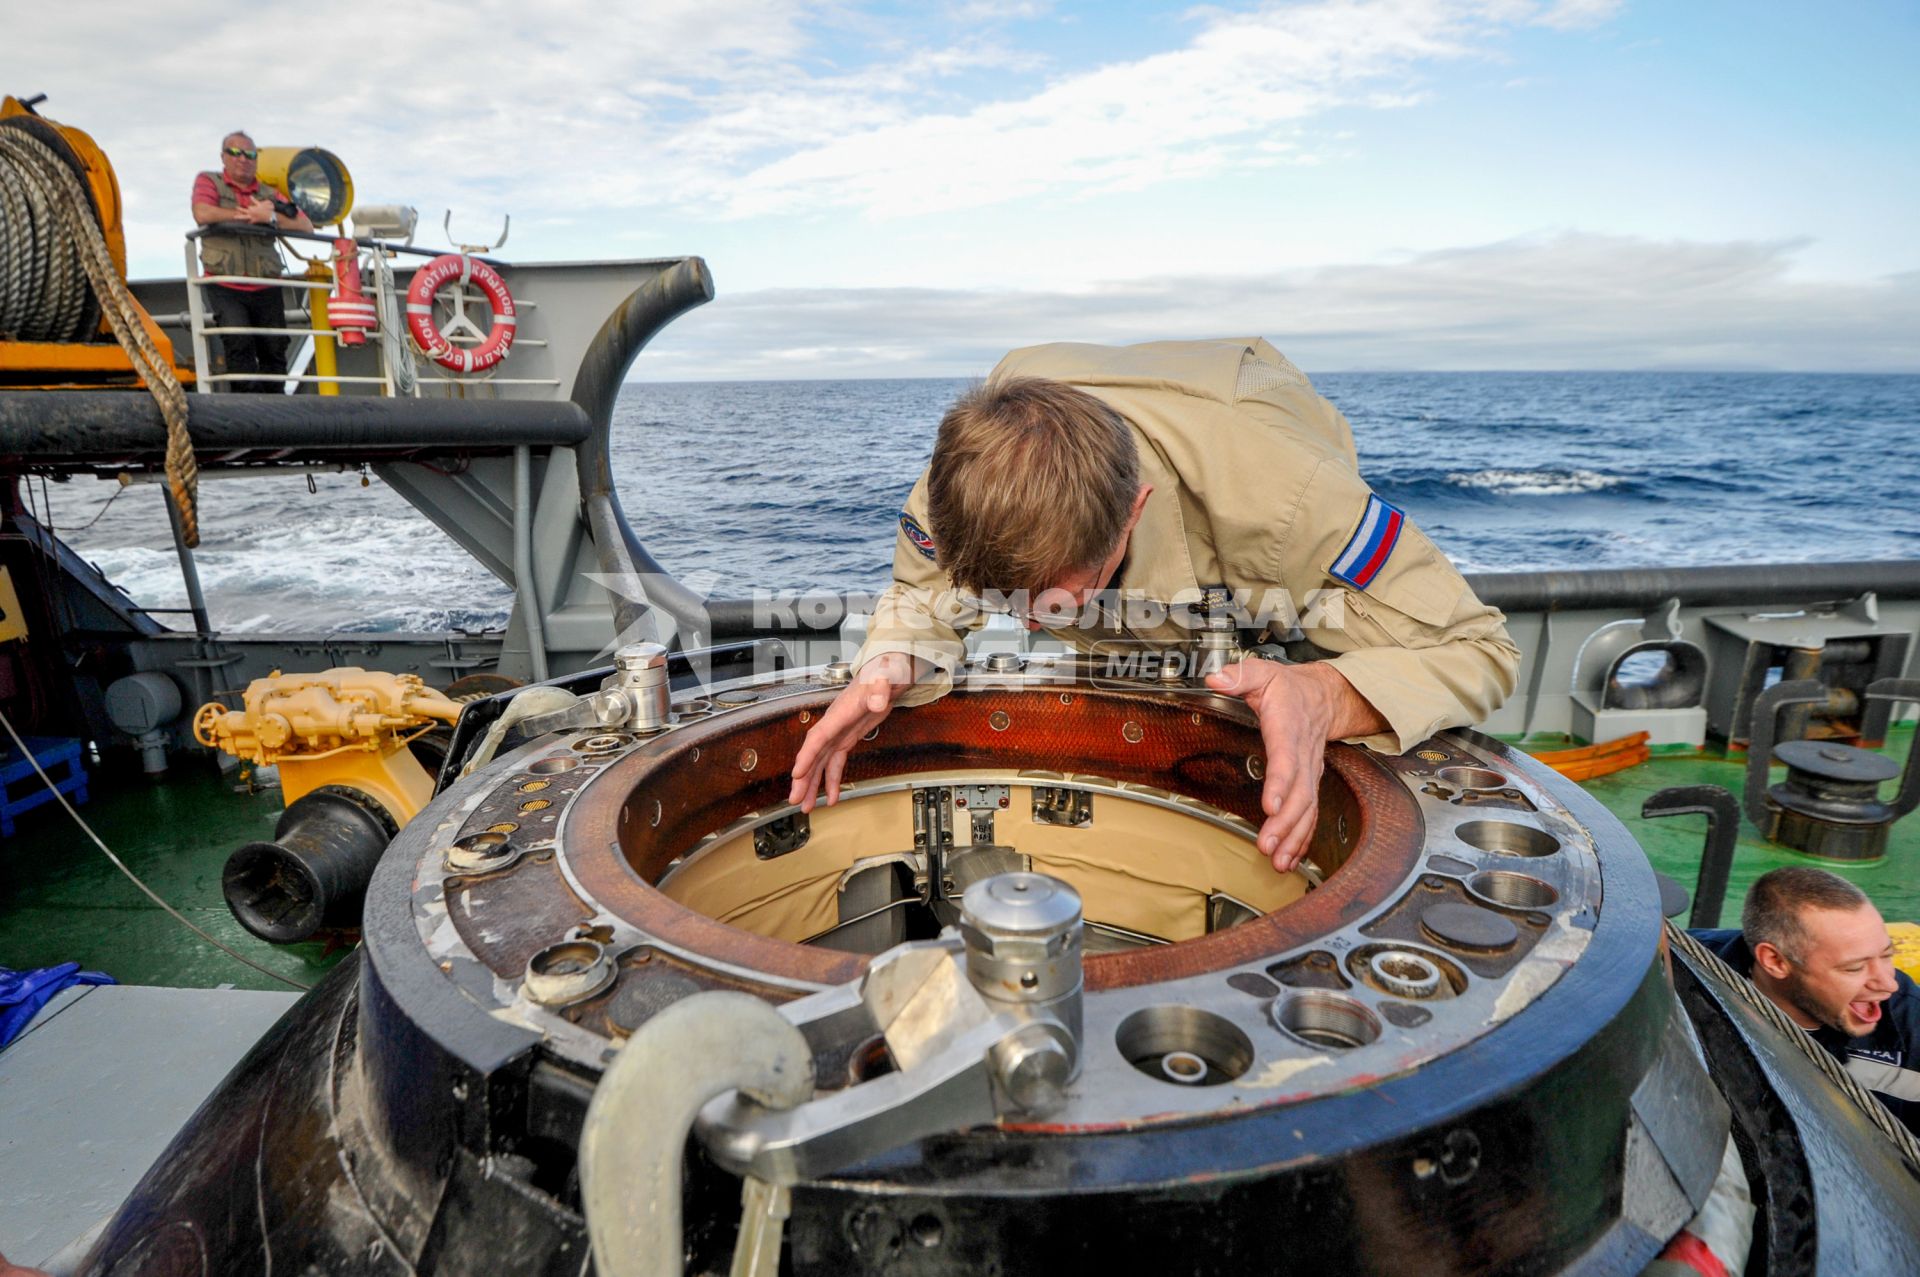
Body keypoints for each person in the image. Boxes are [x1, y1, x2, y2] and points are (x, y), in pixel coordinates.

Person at [787, 339, 1520, 871]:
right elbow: (925, 588)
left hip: (1255, 496)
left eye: (1059, 601)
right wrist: (890, 661)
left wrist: (1325, 694)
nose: (1033, 625)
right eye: (1012, 603)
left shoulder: (1289, 500)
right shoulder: (980, 468)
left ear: (1132, 513)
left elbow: (1480, 648)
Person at [1694, 866, 1920, 1134]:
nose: (1888, 983)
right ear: (1775, 961)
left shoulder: (1911, 1025)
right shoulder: (1679, 970)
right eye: (1854, 968)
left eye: (1886, 955)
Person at [189, 130, 311, 392]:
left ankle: (278, 408)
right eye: (235, 152)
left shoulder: (269, 193)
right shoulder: (208, 181)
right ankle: (248, 411)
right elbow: (202, 212)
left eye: (250, 154)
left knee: (274, 346)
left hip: (265, 283)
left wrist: (272, 219)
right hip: (226, 284)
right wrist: (250, 215)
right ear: (223, 157)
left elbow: (305, 225)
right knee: (238, 342)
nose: (243, 159)